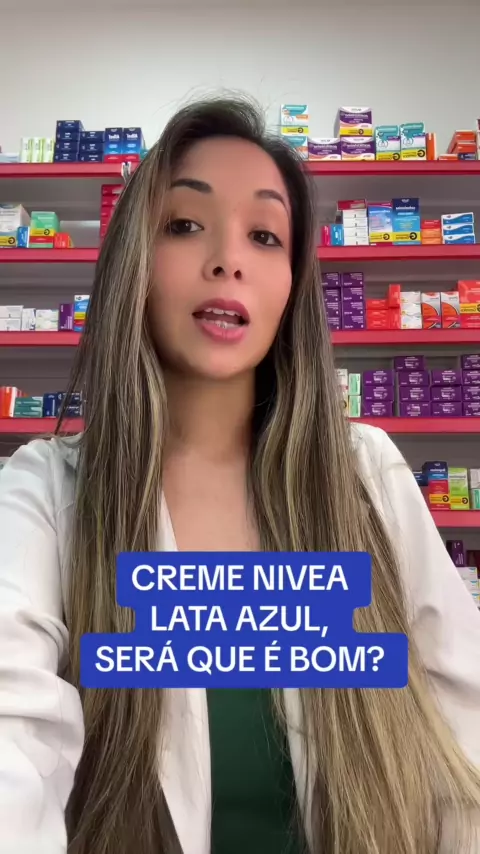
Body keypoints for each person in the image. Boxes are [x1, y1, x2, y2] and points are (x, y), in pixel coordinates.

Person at [0, 96, 479, 854]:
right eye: (185, 225)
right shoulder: (47, 495)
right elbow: (12, 740)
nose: (228, 259)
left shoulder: (367, 475)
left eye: (264, 235)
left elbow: (465, 741)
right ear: (132, 263)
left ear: (292, 284)